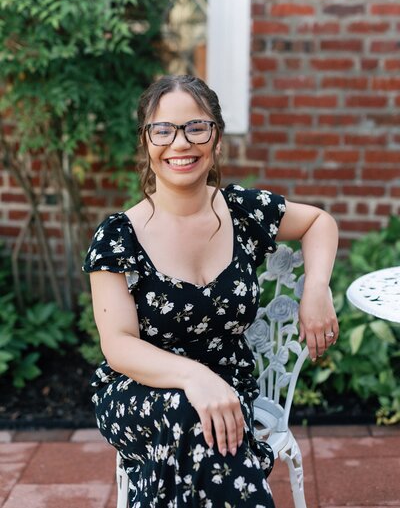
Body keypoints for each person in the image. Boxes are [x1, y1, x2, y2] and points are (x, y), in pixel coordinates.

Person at [83, 74, 339, 508]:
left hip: (227, 383)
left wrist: (317, 288)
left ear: (216, 138)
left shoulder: (242, 211)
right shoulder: (117, 237)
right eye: (163, 130)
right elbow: (118, 345)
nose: (180, 143)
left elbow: (319, 223)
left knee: (201, 432)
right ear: (147, 142)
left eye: (195, 127)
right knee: (191, 418)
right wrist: (194, 378)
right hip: (137, 389)